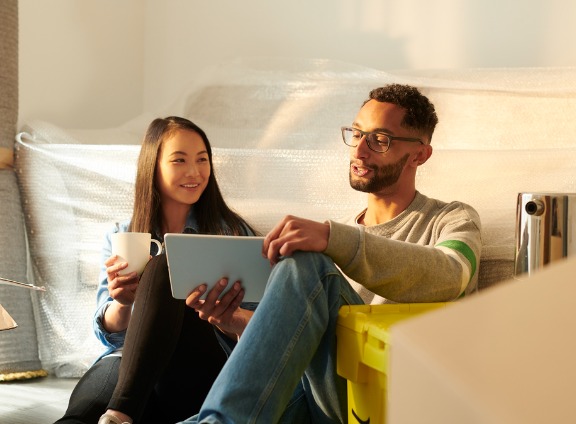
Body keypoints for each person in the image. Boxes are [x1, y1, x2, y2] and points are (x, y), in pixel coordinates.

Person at [176, 84, 482, 423]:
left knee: (310, 264)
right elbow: (309, 349)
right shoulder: (334, 239)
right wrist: (233, 321)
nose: (360, 151)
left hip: (388, 400)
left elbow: (453, 274)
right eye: (357, 133)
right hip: (318, 399)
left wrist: (332, 237)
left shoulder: (452, 218)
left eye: (380, 140)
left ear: (419, 155)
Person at [56, 116, 257, 424]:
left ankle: (120, 413)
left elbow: (263, 328)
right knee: (87, 405)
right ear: (153, 166)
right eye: (179, 160)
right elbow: (108, 335)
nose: (194, 172)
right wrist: (122, 303)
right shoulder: (122, 234)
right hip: (131, 368)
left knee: (165, 265)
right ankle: (114, 415)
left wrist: (225, 319)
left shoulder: (231, 232)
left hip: (199, 371)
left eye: (202, 160)